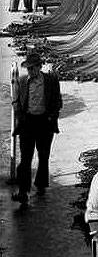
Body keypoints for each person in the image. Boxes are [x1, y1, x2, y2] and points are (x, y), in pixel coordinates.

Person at [12, 49, 63, 208]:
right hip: (28, 123)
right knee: (25, 160)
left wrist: (51, 117)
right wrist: (20, 116)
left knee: (43, 155)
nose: (30, 71)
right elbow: (16, 102)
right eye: (28, 68)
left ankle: (41, 183)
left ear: (40, 67)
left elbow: (57, 101)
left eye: (33, 68)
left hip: (44, 123)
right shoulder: (21, 81)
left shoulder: (51, 81)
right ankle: (23, 191)